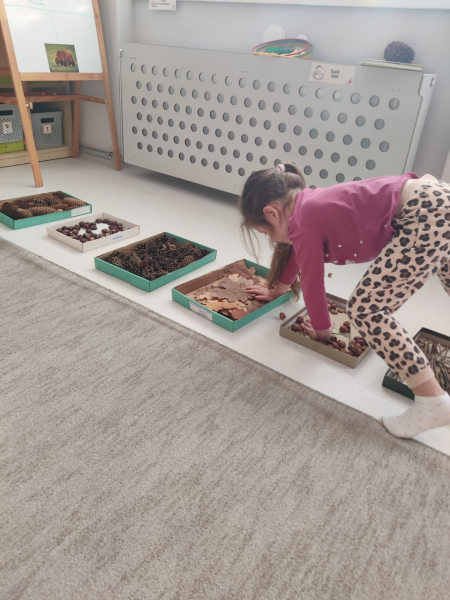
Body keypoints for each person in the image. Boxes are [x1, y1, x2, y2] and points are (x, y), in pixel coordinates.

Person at [239, 163, 450, 439]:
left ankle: (432, 400)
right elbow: (296, 254)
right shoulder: (306, 206)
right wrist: (279, 289)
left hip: (426, 212)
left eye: (266, 232)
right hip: (437, 196)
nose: (271, 238)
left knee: (365, 310)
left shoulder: (303, 223)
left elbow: (313, 284)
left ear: (272, 213)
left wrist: (323, 331)